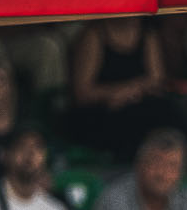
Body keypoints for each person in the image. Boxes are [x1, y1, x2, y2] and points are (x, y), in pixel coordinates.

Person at [67, 18, 169, 161]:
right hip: (101, 111)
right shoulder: (94, 35)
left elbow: (157, 80)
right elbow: (82, 92)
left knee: (165, 112)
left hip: (138, 103)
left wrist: (131, 91)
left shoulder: (147, 34)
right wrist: (117, 93)